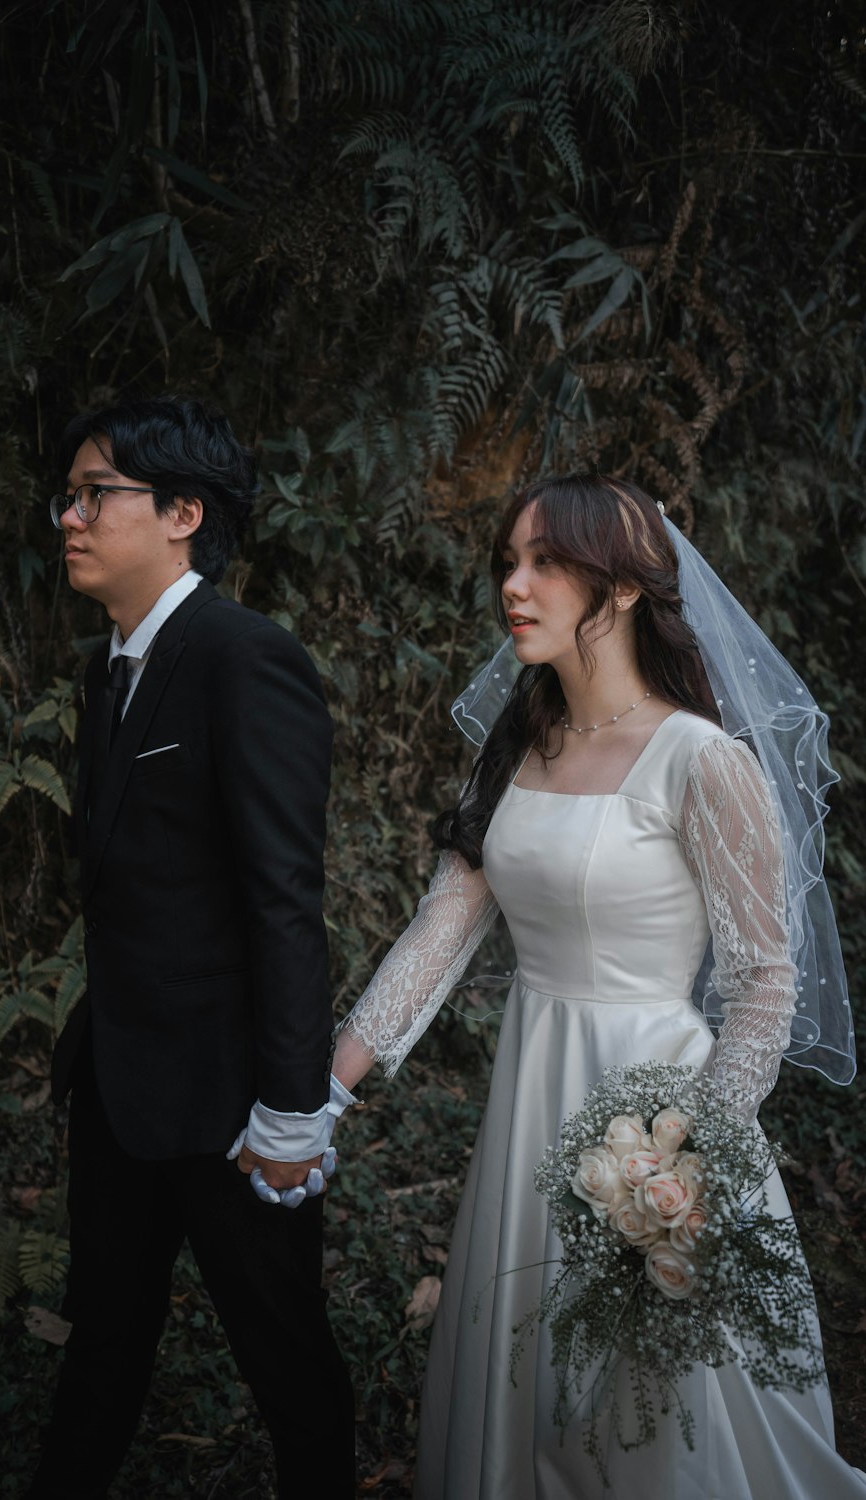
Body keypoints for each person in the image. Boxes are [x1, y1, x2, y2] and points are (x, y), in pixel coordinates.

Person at [331, 474, 862, 1500]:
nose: (512, 589)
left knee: (651, 1422)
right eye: (506, 564)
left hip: (659, 1126)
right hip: (531, 1102)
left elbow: (761, 984)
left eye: (543, 564)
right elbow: (438, 935)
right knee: (523, 1387)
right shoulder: (514, 751)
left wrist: (684, 1169)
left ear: (617, 591)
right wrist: (321, 1091)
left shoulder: (699, 761)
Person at [27, 395, 355, 1500]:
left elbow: (281, 899)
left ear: (181, 513)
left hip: (229, 1103)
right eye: (66, 495)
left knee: (287, 1364)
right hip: (123, 1086)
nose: (67, 517)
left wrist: (291, 1108)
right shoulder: (108, 668)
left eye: (93, 495)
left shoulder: (244, 660)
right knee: (102, 1347)